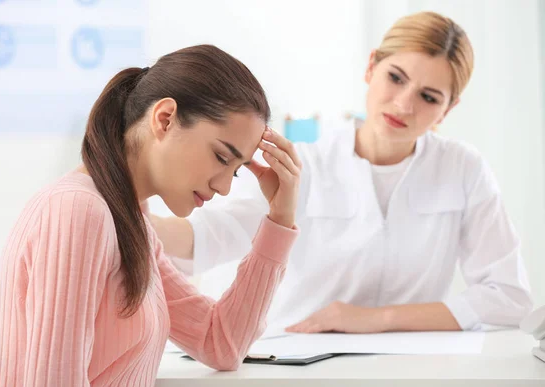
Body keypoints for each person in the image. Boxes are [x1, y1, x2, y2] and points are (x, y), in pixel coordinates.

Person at [152, 11, 533, 334]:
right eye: (396, 78)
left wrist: (374, 319)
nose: (403, 104)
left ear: (448, 109)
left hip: (412, 371)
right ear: (371, 67)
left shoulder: (463, 169)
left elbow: (509, 297)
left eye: (429, 97)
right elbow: (208, 238)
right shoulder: (306, 162)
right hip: (296, 362)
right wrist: (123, 211)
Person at [0, 45, 302, 387]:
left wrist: (280, 217)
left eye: (236, 171)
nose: (224, 186)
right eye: (220, 157)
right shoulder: (78, 211)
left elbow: (220, 343)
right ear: (165, 118)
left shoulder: (129, 222)